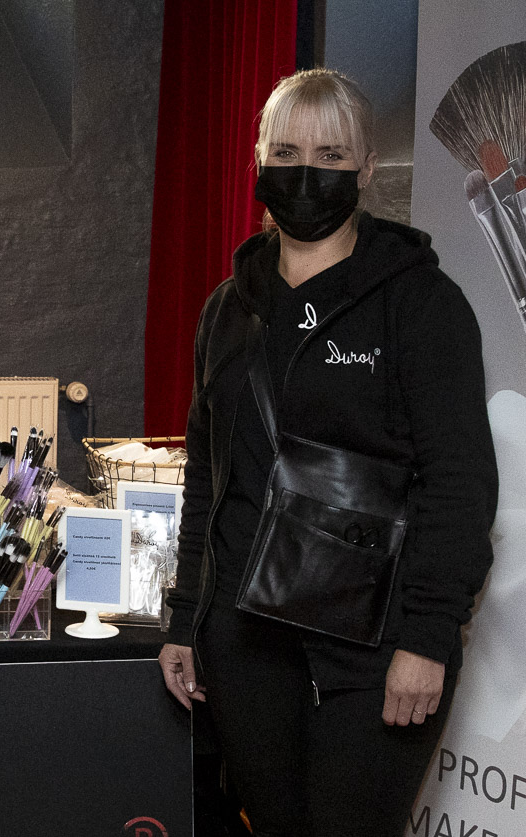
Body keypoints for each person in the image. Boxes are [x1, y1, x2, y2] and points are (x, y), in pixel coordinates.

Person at [159, 68, 498, 836]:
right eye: (286, 151)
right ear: (258, 160)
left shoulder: (421, 304)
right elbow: (208, 476)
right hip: (247, 648)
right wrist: (186, 618)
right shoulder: (228, 309)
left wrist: (428, 638)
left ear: (367, 168)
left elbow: (460, 485)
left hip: (377, 650)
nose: (305, 171)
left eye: (331, 154)